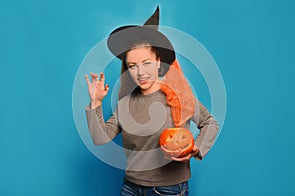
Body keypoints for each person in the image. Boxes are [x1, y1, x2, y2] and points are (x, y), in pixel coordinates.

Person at [85, 7, 219, 196]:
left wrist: (196, 149)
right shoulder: (126, 103)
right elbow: (101, 138)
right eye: (133, 66)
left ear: (159, 62)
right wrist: (96, 103)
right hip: (130, 186)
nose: (140, 72)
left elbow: (209, 122)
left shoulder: (179, 96)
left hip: (168, 189)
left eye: (146, 63)